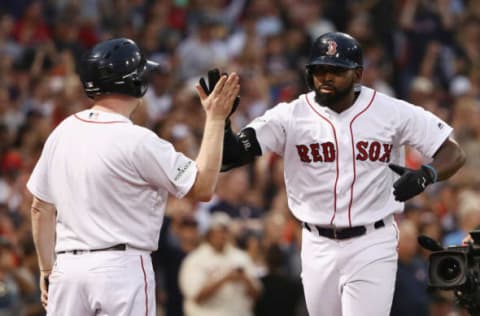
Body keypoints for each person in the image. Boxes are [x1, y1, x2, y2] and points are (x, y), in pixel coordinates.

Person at [213, 32, 466, 315]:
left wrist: (426, 175)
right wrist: (218, 123)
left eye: (335, 70)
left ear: (357, 74)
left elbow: (453, 152)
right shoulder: (290, 115)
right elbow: (229, 157)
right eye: (319, 70)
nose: (325, 77)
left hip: (372, 240)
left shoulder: (391, 111)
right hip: (315, 243)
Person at [26, 37, 239, 316]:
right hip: (121, 270)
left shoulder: (63, 132)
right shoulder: (138, 140)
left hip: (68, 270)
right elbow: (201, 188)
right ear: (136, 82)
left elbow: (40, 207)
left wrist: (46, 269)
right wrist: (215, 119)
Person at [179, 212, 261, 316]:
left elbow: (257, 294)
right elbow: (196, 297)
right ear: (209, 234)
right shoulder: (195, 260)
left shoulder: (241, 257)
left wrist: (244, 278)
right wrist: (225, 278)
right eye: (218, 232)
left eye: (225, 231)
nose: (222, 235)